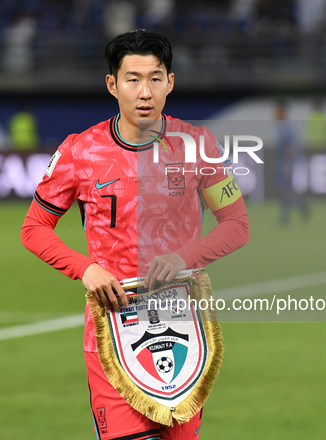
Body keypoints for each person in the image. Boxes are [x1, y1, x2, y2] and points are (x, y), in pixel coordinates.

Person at [21, 30, 250, 439]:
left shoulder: (199, 145)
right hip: (113, 331)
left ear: (171, 82)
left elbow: (237, 224)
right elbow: (34, 228)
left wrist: (185, 257)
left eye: (155, 78)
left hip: (184, 333)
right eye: (133, 79)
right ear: (112, 84)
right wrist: (85, 268)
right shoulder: (79, 151)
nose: (145, 92)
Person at [274, 99, 309, 225]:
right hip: (284, 162)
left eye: (278, 111)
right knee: (286, 189)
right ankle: (302, 207)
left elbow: (292, 146)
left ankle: (286, 216)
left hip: (287, 163)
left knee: (285, 188)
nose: (275, 114)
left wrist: (288, 165)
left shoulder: (289, 126)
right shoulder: (282, 125)